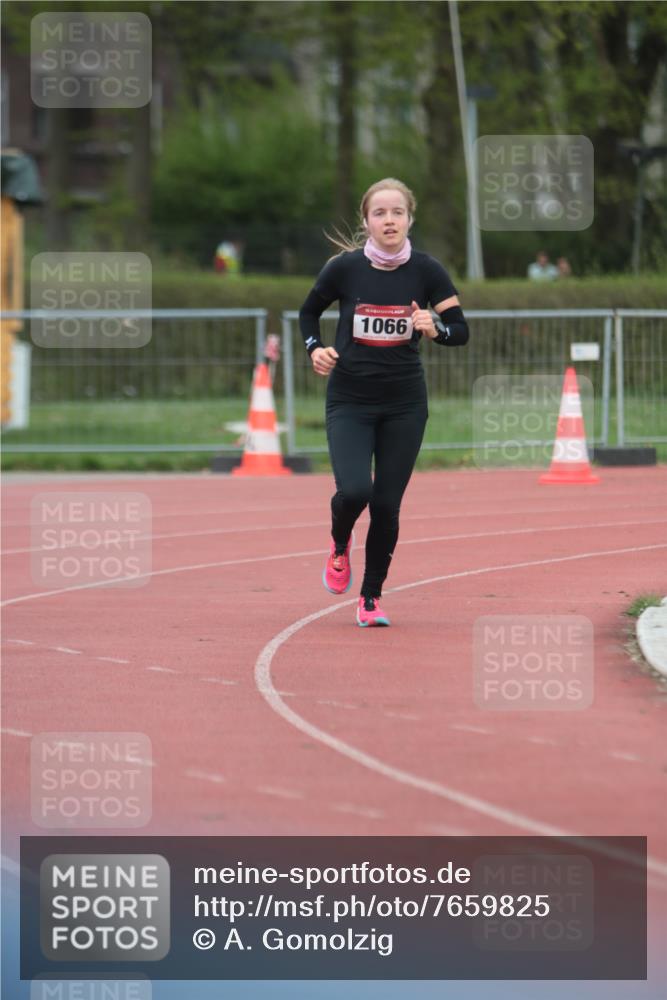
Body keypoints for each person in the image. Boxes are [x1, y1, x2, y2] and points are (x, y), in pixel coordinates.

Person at [298, 178, 469, 627]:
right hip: (350, 400)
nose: (389, 220)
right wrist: (315, 348)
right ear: (367, 222)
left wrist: (435, 328)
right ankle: (339, 544)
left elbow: (460, 330)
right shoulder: (344, 269)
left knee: (387, 505)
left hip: (404, 404)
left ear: (409, 218)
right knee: (356, 491)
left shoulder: (427, 271)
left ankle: (370, 598)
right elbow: (308, 312)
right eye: (380, 213)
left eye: (397, 212)